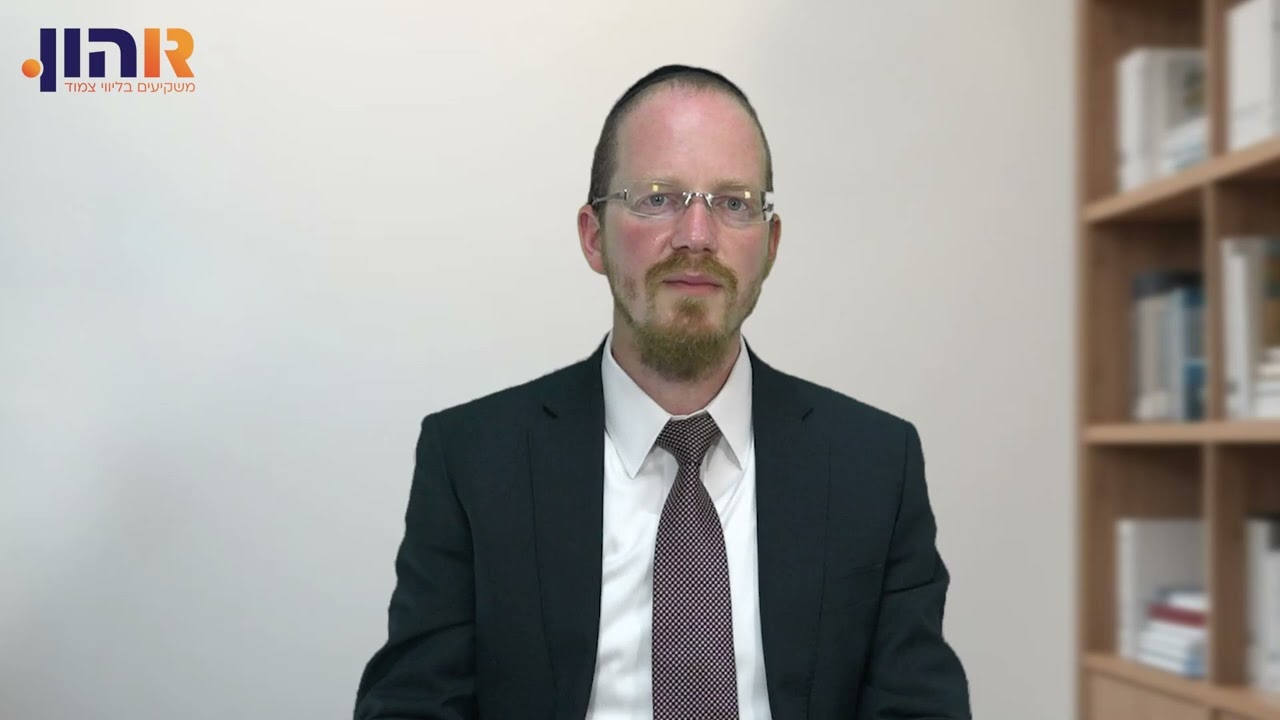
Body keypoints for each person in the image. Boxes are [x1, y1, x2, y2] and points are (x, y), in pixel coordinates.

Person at [353, 64, 970, 720]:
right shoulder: (473, 461)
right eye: (658, 198)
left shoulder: (874, 467)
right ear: (594, 236)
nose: (696, 237)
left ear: (770, 246)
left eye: (733, 203)